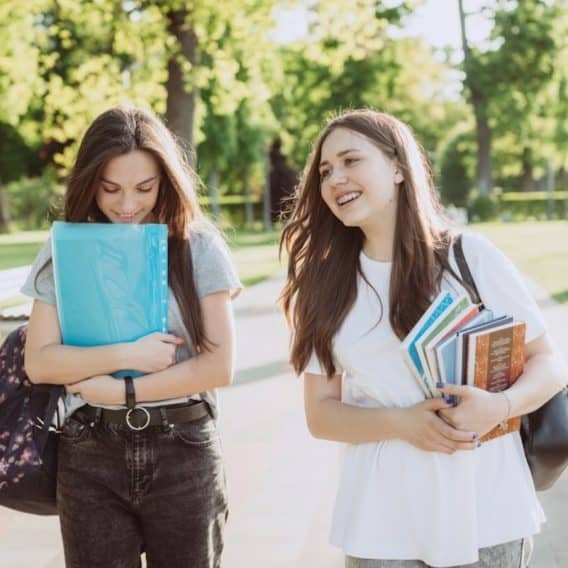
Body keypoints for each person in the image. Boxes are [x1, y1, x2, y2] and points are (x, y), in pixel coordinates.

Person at [280, 109, 567, 568]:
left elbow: (549, 364)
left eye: (351, 160)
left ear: (397, 168)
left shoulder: (468, 257)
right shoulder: (325, 284)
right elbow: (321, 415)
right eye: (325, 171)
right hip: (382, 522)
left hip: (486, 509)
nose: (335, 178)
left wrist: (501, 406)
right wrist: (402, 423)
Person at [22, 105, 241, 568]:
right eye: (110, 188)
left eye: (144, 188)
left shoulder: (199, 245)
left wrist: (124, 389)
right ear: (89, 183)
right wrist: (127, 354)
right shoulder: (64, 247)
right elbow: (40, 361)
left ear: (166, 180)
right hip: (89, 451)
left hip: (183, 448)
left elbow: (219, 366)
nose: (127, 205)